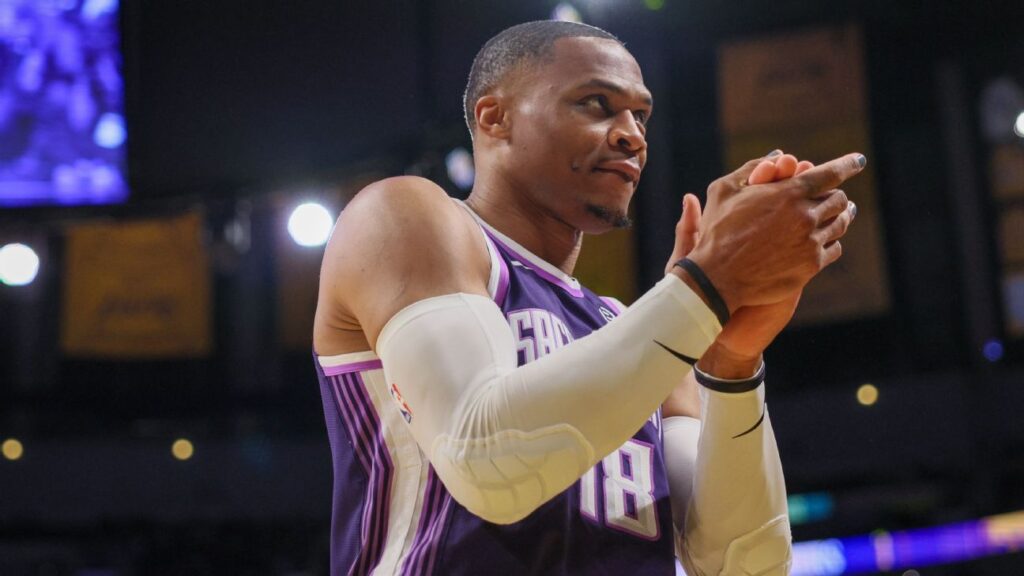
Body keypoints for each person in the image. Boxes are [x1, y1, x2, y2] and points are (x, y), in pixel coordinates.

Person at [312, 20, 864, 576]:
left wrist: (731, 365)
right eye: (596, 104)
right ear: (495, 117)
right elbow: (483, 461)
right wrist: (708, 285)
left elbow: (742, 565)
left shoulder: (634, 330)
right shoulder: (404, 215)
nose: (632, 136)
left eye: (641, 116)